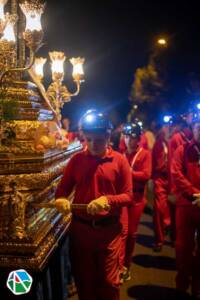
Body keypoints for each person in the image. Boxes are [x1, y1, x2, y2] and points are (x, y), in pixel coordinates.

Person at [55, 109, 133, 300]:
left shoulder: (120, 161)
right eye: (88, 139)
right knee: (85, 284)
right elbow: (62, 189)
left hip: (109, 234)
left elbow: (128, 196)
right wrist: (62, 200)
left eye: (97, 140)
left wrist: (107, 200)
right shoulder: (77, 160)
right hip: (81, 232)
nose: (92, 145)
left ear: (108, 137)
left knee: (109, 284)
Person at [171, 114, 200, 299]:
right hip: (186, 205)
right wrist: (194, 193)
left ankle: (197, 287)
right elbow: (176, 173)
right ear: (193, 129)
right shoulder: (183, 149)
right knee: (183, 248)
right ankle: (182, 284)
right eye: (198, 127)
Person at [120, 122, 152, 281]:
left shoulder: (144, 154)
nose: (128, 140)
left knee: (131, 234)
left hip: (137, 199)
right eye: (126, 137)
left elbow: (146, 175)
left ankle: (127, 266)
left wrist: (129, 172)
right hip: (123, 199)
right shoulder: (121, 154)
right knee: (121, 233)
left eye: (131, 137)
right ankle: (119, 265)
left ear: (138, 138)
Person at [152, 122, 171, 252]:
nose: (168, 128)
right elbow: (157, 163)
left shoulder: (176, 140)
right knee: (159, 208)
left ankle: (172, 233)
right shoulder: (159, 143)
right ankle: (160, 238)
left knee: (173, 207)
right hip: (160, 179)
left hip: (172, 179)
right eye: (165, 126)